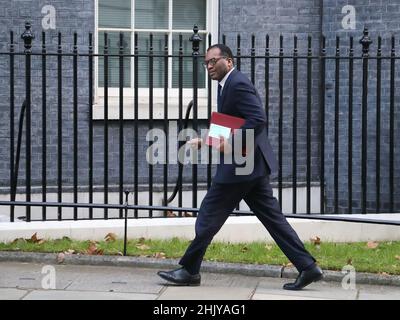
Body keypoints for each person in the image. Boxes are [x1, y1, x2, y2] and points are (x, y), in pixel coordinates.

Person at [157, 44, 323, 290]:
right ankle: (308, 268)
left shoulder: (238, 83)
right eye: (206, 63)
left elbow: (258, 120)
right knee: (273, 219)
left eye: (213, 61)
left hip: (241, 167)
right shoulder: (225, 85)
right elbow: (231, 122)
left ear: (229, 61)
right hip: (251, 167)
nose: (209, 66)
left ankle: (190, 270)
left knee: (207, 216)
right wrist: (207, 141)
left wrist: (230, 143)